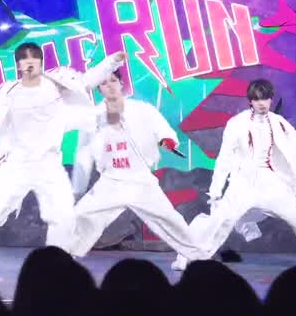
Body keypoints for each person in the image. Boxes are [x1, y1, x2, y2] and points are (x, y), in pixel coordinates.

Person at [0, 42, 126, 281]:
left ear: (40, 64)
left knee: (63, 216)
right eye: (24, 63)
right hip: (16, 165)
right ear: (18, 66)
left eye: (33, 62)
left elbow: (87, 80)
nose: (29, 67)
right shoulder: (9, 90)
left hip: (48, 165)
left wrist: (112, 62)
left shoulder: (56, 84)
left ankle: (55, 268)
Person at [175, 79, 296, 272]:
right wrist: (216, 190)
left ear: (271, 99)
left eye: (266, 98)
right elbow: (224, 158)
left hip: (273, 183)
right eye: (257, 99)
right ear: (250, 101)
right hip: (243, 182)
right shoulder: (236, 124)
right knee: (220, 220)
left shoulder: (281, 125)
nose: (262, 103)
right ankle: (189, 256)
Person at [69, 70, 208, 264]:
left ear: (121, 83)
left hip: (140, 181)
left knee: (169, 220)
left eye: (113, 80)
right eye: (104, 83)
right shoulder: (93, 117)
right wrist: (78, 188)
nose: (110, 85)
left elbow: (162, 130)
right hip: (110, 182)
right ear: (99, 89)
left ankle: (198, 258)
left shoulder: (141, 109)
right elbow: (83, 153)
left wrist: (167, 140)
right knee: (80, 215)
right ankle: (65, 257)